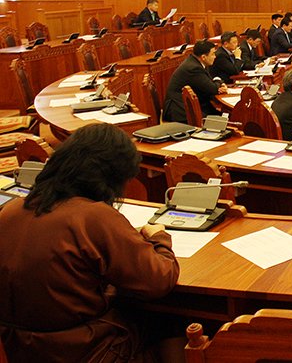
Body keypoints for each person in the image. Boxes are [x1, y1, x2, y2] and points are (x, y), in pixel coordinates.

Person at [0, 124, 180, 363]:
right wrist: (159, 238)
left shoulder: (10, 210)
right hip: (84, 350)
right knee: (170, 319)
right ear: (112, 178)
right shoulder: (94, 217)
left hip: (19, 348)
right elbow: (159, 280)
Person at [163, 39, 227, 123]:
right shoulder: (193, 68)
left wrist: (217, 84)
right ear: (203, 57)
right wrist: (218, 83)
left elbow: (210, 84)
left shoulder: (196, 62)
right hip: (180, 111)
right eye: (213, 54)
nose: (215, 56)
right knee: (220, 121)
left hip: (192, 104)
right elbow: (213, 88)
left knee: (221, 115)